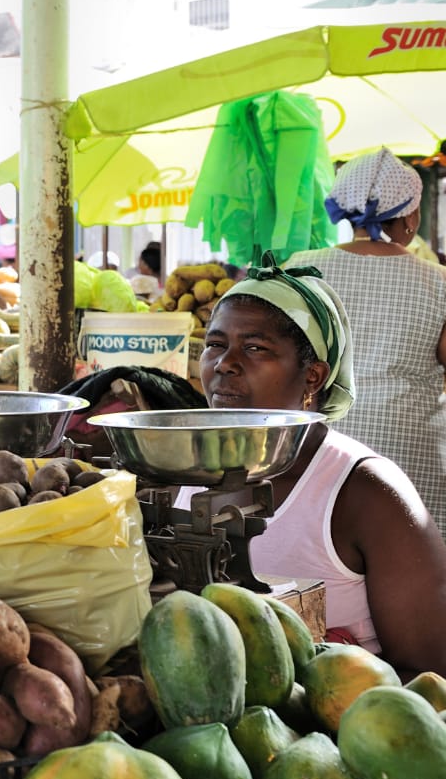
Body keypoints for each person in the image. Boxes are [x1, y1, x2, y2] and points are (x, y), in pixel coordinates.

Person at [191, 254, 446, 675]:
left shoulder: (365, 492)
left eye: (255, 348)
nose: (224, 364)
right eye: (215, 345)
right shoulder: (182, 472)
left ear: (313, 376)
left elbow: (430, 674)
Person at [286, 147, 446, 541]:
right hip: (409, 453)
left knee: (326, 554)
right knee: (408, 558)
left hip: (318, 447)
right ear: (410, 215)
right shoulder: (439, 282)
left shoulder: (299, 270)